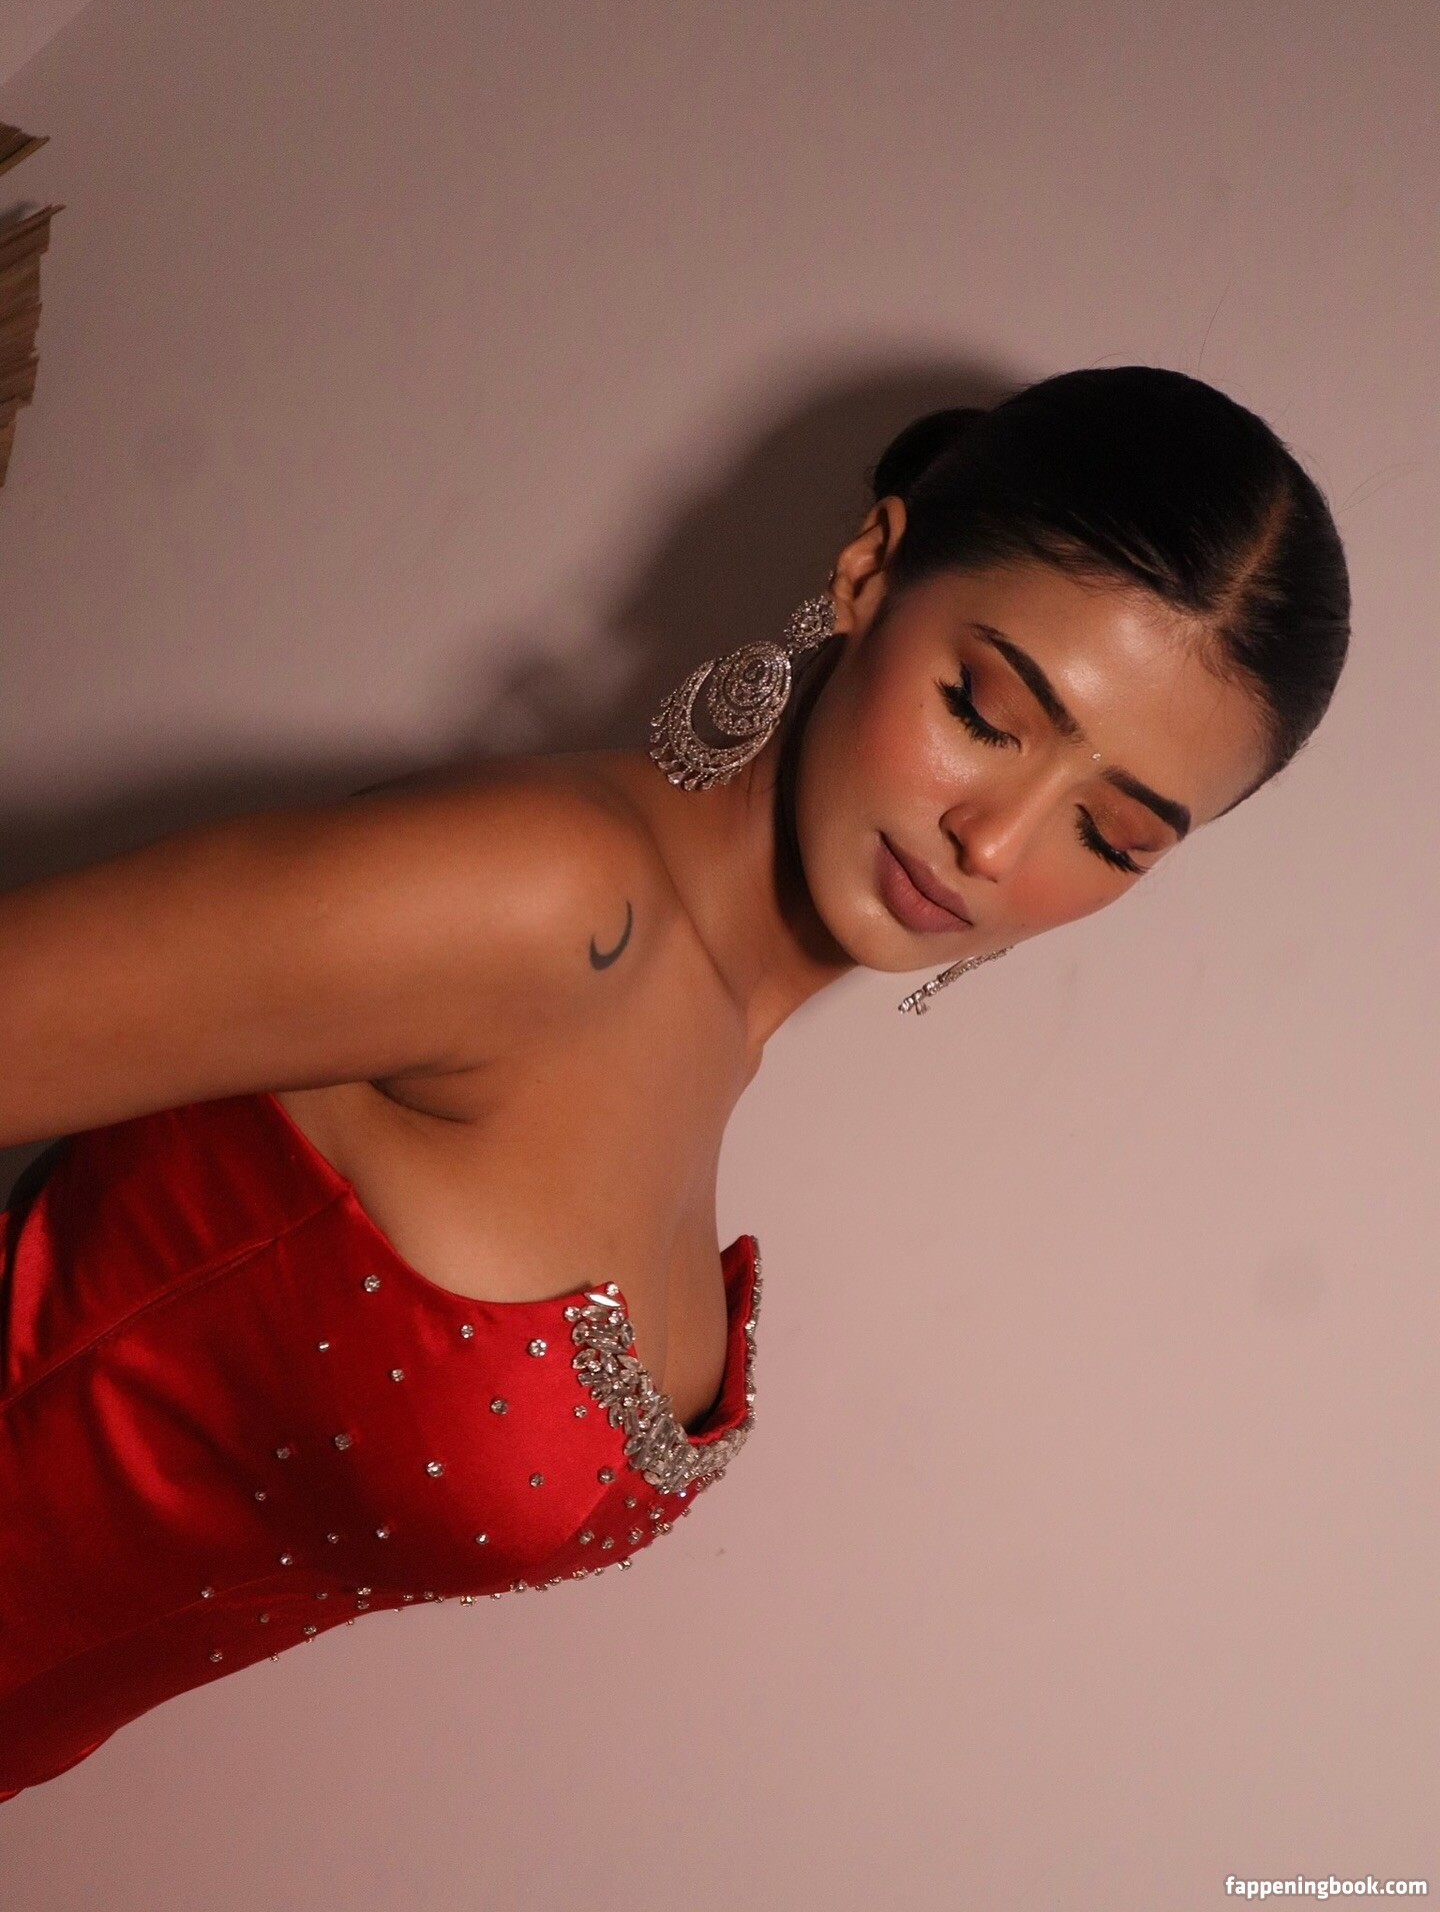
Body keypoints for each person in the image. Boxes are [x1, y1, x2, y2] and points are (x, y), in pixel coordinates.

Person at [0, 365, 1350, 1797]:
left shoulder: (704, 1037)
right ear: (869, 570)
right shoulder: (546, 903)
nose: (997, 843)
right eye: (983, 707)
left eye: (1112, 836)